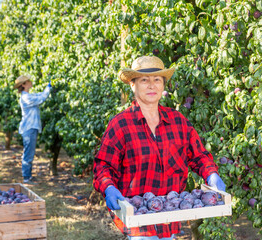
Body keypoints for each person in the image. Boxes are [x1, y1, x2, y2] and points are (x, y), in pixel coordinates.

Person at [93, 56, 226, 239]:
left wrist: (211, 174)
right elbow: (103, 166)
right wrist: (108, 187)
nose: (151, 85)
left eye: (157, 80)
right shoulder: (120, 125)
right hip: (139, 220)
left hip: (170, 217)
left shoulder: (178, 122)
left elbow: (199, 156)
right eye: (144, 80)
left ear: (163, 85)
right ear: (133, 85)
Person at [14, 75, 52, 184]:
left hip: (31, 128)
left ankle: (28, 176)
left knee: (30, 152)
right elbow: (41, 98)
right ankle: (26, 177)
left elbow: (38, 95)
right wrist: (48, 87)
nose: (31, 82)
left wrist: (46, 89)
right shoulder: (26, 97)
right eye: (28, 81)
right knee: (28, 154)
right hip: (29, 128)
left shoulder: (28, 95)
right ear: (23, 84)